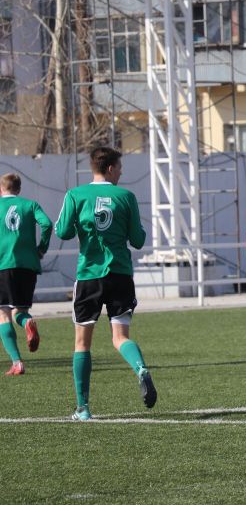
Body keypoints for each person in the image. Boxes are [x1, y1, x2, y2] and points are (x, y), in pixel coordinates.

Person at [55, 147, 156, 421]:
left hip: (89, 276)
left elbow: (62, 231)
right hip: (120, 275)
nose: (121, 172)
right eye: (119, 167)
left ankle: (83, 408)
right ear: (110, 168)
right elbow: (138, 240)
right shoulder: (126, 197)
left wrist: (81, 226)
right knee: (120, 337)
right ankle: (141, 369)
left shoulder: (75, 195)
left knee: (82, 344)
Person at [0, 173, 52, 376]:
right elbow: (47, 224)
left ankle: (17, 363)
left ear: (1, 189)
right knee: (19, 311)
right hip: (28, 266)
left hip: (3, 264)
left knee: (3, 313)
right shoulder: (30, 205)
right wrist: (41, 248)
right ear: (19, 189)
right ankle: (27, 322)